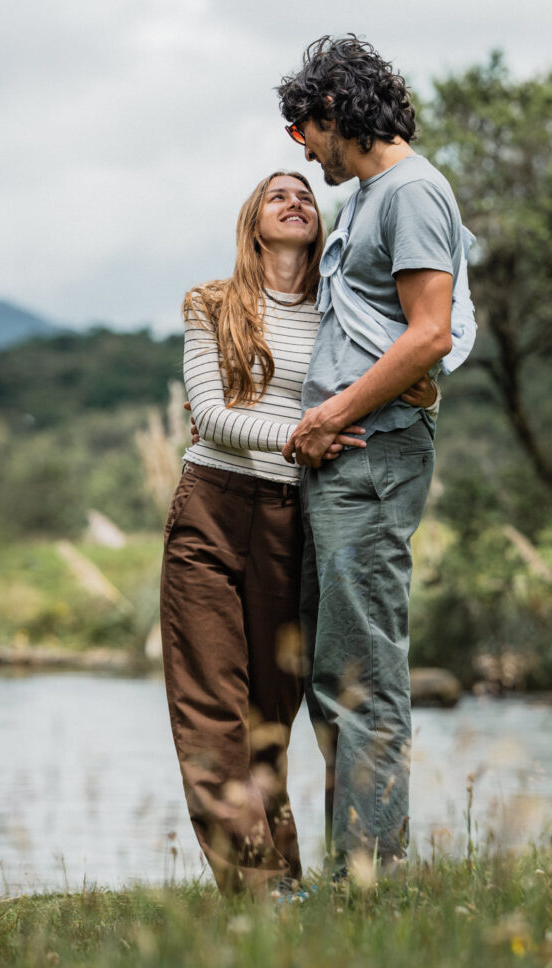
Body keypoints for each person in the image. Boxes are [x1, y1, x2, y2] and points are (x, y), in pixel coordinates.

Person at [160, 169, 437, 896]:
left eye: (306, 195)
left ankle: (291, 882)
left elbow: (399, 368)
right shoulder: (211, 303)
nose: (294, 200)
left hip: (291, 521)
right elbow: (211, 414)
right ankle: (260, 887)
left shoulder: (339, 311)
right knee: (208, 707)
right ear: (253, 220)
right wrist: (301, 434)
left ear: (320, 225)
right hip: (210, 509)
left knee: (268, 714)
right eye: (276, 194)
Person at [276, 35, 477, 877]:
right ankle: (351, 870)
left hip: (372, 450)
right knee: (334, 668)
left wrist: (331, 414)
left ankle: (375, 879)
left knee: (363, 670)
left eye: (303, 131)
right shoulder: (365, 196)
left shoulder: (413, 191)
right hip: (342, 454)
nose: (302, 149)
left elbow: (429, 333)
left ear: (334, 112)